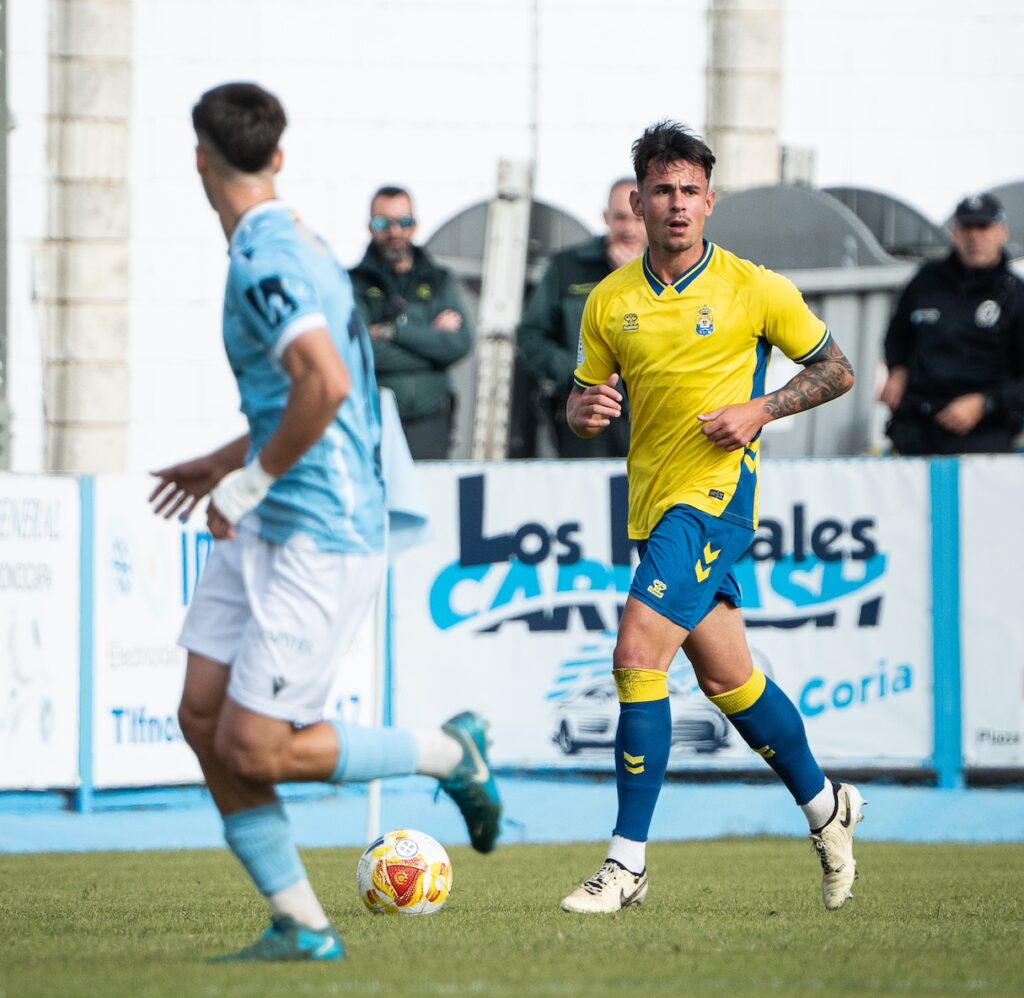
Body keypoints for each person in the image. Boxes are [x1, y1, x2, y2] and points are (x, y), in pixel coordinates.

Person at [148, 82, 500, 963]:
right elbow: (310, 392)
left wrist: (245, 482)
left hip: (318, 526)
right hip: (276, 510)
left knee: (254, 746)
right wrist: (227, 462)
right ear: (278, 155)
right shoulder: (298, 239)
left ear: (200, 158)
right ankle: (300, 922)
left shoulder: (266, 260)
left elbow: (327, 386)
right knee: (201, 716)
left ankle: (446, 751)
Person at [560, 121, 862, 915]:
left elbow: (839, 368)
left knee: (635, 653)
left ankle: (626, 865)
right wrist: (585, 410)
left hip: (717, 502)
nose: (677, 204)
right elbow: (580, 401)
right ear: (638, 200)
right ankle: (825, 804)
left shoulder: (753, 287)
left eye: (691, 190)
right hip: (654, 508)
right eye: (662, 190)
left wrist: (760, 409)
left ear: (710, 200)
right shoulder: (609, 301)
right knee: (730, 678)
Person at [881, 192, 1024, 455]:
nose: (974, 236)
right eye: (967, 227)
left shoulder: (1016, 294)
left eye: (983, 227)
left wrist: (985, 403)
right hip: (915, 429)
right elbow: (896, 336)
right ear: (954, 233)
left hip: (983, 437)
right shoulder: (926, 280)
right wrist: (897, 370)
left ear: (1002, 231)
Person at [516, 179, 646, 457]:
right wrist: (580, 376)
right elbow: (530, 335)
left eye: (638, 217)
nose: (629, 228)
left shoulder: (668, 270)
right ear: (605, 217)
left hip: (649, 411)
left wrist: (634, 279)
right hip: (586, 411)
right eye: (620, 217)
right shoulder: (567, 267)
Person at [349, 187, 473, 459]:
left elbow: (460, 344)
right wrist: (431, 344)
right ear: (370, 227)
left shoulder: (438, 278)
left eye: (403, 222)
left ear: (415, 225)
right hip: (374, 418)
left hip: (431, 419)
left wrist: (392, 332)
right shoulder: (353, 282)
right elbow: (360, 350)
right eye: (383, 222)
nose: (395, 231)